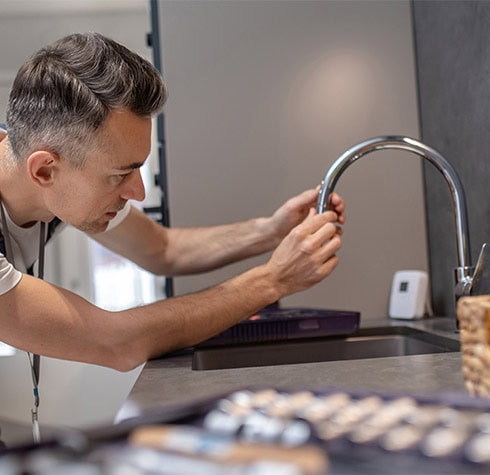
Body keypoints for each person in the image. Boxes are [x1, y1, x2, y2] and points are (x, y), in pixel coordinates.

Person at [0, 32, 344, 373]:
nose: (137, 193)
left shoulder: (56, 178)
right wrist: (274, 279)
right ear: (44, 170)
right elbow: (114, 342)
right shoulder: (61, 177)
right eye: (119, 175)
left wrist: (271, 232)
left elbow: (162, 249)